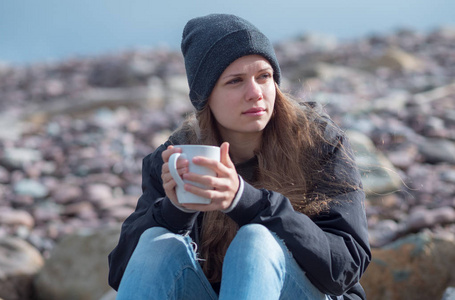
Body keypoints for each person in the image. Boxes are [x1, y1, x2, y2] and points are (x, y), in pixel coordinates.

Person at [108, 13, 371, 300]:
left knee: (256, 240)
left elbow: (346, 269)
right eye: (235, 81)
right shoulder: (176, 156)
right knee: (157, 243)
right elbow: (122, 274)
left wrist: (246, 201)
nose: (255, 93)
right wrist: (174, 212)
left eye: (264, 76)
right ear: (205, 97)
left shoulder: (319, 142)